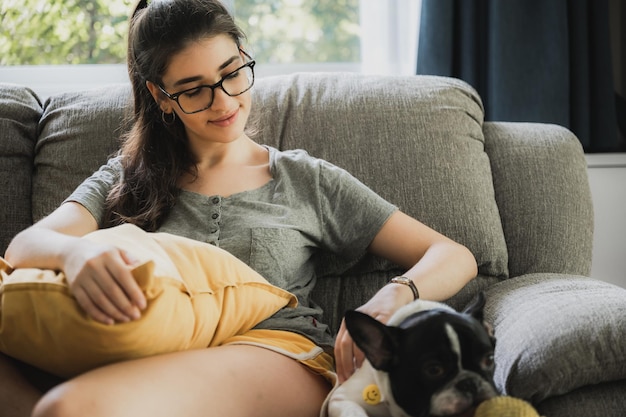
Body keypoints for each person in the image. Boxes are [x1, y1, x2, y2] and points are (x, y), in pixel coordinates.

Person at [1, 1, 477, 416]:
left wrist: (394, 296)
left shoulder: (304, 180)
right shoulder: (125, 175)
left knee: (69, 408)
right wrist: (74, 255)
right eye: (193, 89)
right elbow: (26, 246)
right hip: (143, 354)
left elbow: (454, 255)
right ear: (160, 98)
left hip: (276, 352)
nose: (224, 99)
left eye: (232, 72)